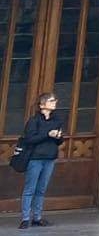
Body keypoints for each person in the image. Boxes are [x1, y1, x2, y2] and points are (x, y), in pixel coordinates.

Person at [16, 92, 62, 227]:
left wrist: (58, 136)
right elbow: (29, 139)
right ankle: (25, 218)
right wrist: (47, 134)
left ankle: (37, 217)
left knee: (41, 189)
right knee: (30, 188)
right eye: (51, 101)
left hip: (50, 157)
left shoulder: (56, 120)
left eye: (55, 100)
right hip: (35, 158)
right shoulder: (34, 121)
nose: (54, 102)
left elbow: (59, 141)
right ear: (42, 105)